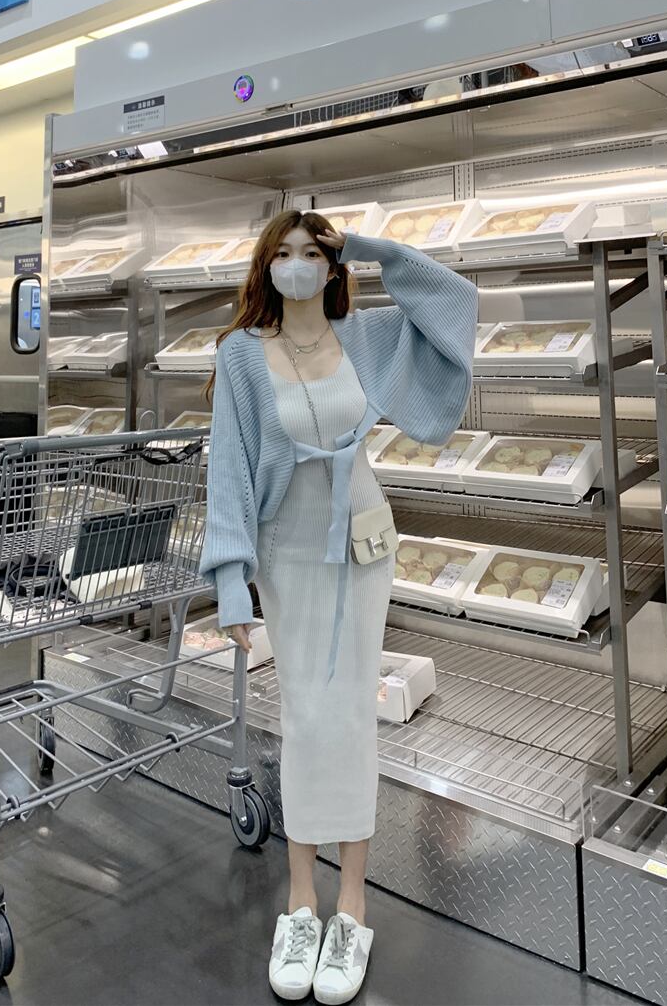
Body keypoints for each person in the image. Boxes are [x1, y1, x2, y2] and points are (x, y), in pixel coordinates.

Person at [200, 209, 477, 1004]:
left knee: (352, 713)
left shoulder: (366, 338)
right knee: (305, 716)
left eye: (311, 253)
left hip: (363, 546)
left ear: (331, 267)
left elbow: (455, 303)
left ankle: (351, 906)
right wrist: (231, 580)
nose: (296, 264)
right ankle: (300, 904)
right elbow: (230, 471)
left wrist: (375, 248)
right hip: (287, 554)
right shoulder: (242, 355)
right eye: (282, 253)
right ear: (266, 266)